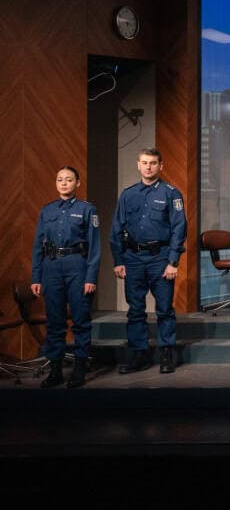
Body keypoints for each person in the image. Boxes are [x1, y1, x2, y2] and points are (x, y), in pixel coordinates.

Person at [111, 147, 187, 374]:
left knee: (164, 309)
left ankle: (167, 354)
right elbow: (116, 229)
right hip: (133, 258)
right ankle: (139, 355)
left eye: (153, 163)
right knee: (135, 309)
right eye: (144, 162)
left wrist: (173, 261)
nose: (148, 167)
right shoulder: (128, 195)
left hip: (160, 258)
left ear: (160, 166)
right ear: (138, 165)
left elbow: (179, 229)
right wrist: (118, 260)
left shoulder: (171, 193)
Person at [30, 167, 101, 388]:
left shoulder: (87, 209)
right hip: (51, 268)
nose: (63, 183)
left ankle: (79, 369)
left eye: (69, 179)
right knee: (55, 322)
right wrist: (36, 277)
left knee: (81, 320)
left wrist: (90, 277)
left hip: (77, 266)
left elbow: (95, 247)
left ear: (77, 183)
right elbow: (38, 247)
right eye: (60, 179)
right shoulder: (47, 210)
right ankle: (55, 371)